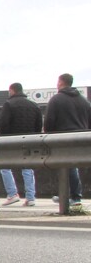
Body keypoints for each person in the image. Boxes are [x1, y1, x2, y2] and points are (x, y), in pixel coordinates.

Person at [43, 72, 91, 213]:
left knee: (67, 166)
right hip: (82, 137)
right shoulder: (84, 100)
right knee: (72, 167)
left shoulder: (56, 100)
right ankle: (69, 195)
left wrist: (49, 137)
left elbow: (49, 121)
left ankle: (74, 196)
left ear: (61, 83)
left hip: (63, 138)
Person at [0, 82, 43, 205]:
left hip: (11, 140)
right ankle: (31, 198)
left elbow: (3, 123)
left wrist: (3, 137)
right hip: (29, 140)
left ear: (12, 91)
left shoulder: (9, 104)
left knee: (5, 166)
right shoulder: (34, 105)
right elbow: (39, 125)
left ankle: (12, 194)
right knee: (27, 168)